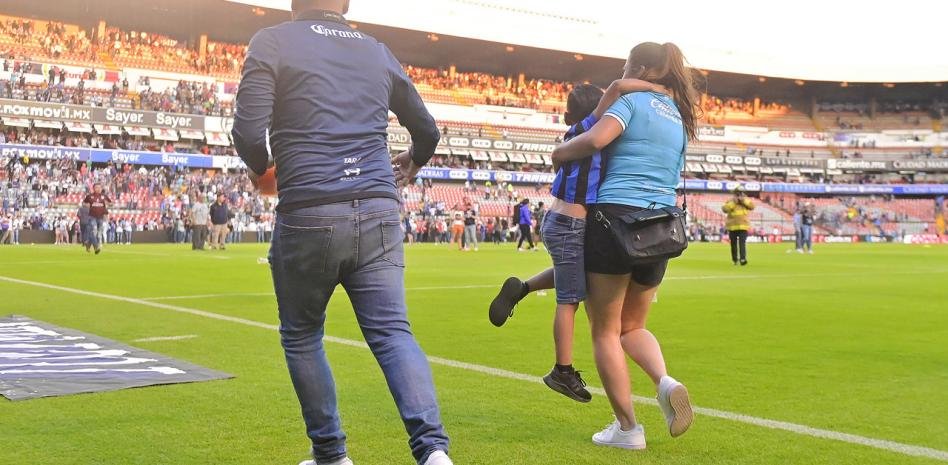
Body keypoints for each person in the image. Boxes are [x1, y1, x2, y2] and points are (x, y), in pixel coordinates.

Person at [232, 1, 452, 464]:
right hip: (378, 208)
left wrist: (261, 169)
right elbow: (427, 131)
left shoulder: (272, 41)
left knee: (302, 335)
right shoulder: (376, 50)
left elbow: (249, 134)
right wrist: (414, 161)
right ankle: (434, 451)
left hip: (310, 208)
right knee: (393, 334)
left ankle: (331, 455)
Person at [551, 41, 698, 450]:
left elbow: (596, 140)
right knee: (634, 326)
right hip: (661, 227)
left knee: (605, 330)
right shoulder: (679, 116)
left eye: (627, 65)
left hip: (615, 219)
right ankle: (666, 382)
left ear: (641, 68)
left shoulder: (631, 101)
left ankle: (628, 429)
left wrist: (560, 152)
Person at [489, 80, 664, 403]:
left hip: (559, 218)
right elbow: (616, 87)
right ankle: (562, 369)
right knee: (569, 299)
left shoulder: (573, 133)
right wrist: (656, 87)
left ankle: (522, 288)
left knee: (576, 274)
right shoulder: (593, 128)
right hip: (571, 223)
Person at [722, 186, 754, 265]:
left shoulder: (746, 200)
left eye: (741, 193)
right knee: (733, 244)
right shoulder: (730, 201)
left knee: (742, 243)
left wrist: (743, 201)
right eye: (738, 193)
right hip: (732, 226)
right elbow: (724, 209)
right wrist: (734, 202)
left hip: (743, 226)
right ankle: (735, 259)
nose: (740, 195)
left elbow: (752, 206)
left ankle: (743, 259)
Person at [82, 183, 111, 255]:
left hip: (101, 217)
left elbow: (110, 203)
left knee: (99, 233)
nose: (98, 189)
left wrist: (108, 204)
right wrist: (87, 205)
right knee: (94, 231)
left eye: (99, 188)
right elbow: (83, 203)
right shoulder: (90, 196)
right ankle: (96, 247)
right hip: (92, 217)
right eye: (96, 187)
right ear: (93, 188)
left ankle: (88, 244)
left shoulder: (104, 196)